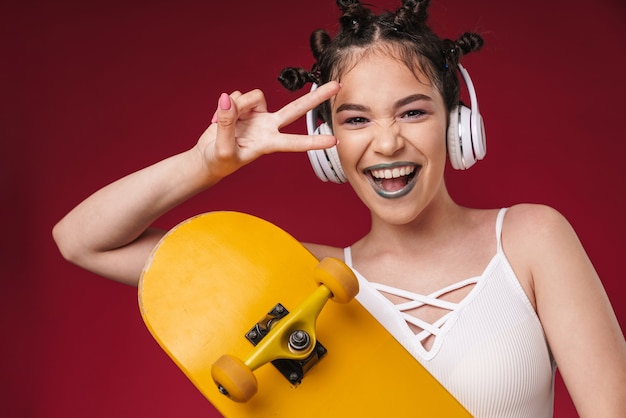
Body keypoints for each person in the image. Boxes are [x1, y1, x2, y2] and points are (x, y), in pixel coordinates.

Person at [52, 0, 625, 416]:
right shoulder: (298, 280)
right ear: (328, 143)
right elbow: (82, 240)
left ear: (458, 125)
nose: (386, 143)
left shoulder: (530, 240)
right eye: (356, 120)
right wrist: (208, 164)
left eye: (412, 112)